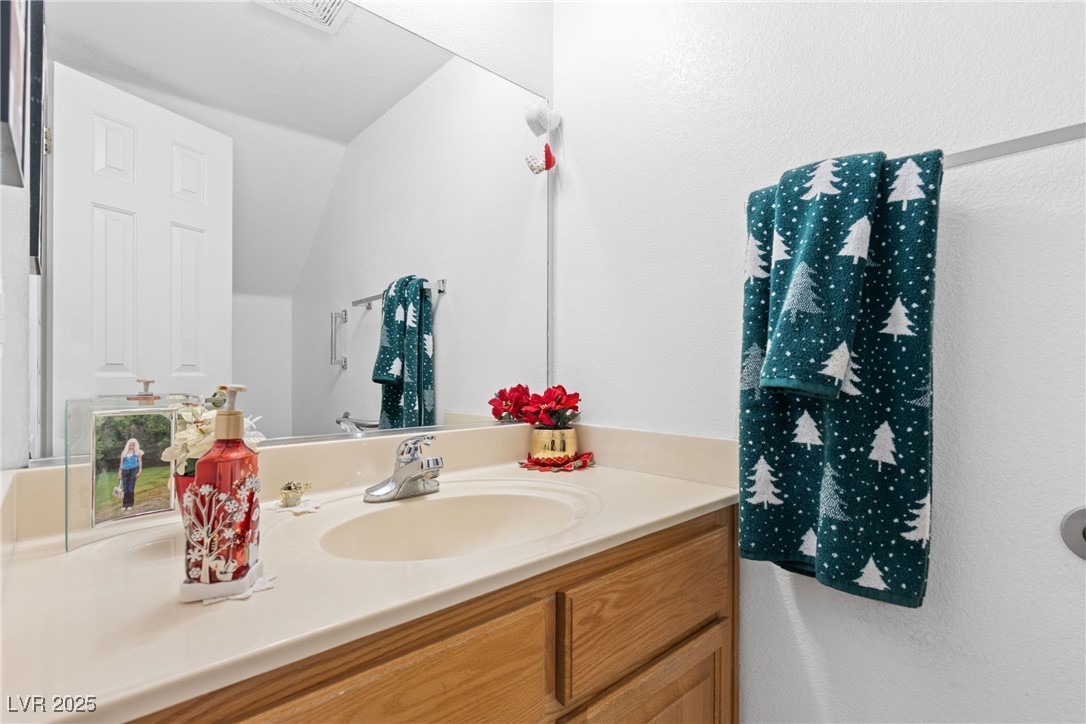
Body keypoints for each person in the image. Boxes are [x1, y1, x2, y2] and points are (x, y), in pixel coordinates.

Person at [118, 438, 143, 512]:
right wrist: (120, 472)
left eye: (133, 444)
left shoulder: (138, 452)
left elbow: (140, 462)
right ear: (128, 444)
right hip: (124, 471)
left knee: (131, 489)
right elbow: (121, 463)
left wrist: (140, 471)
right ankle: (125, 505)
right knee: (125, 489)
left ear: (135, 445)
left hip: (133, 471)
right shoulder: (124, 453)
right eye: (130, 443)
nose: (132, 445)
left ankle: (129, 505)